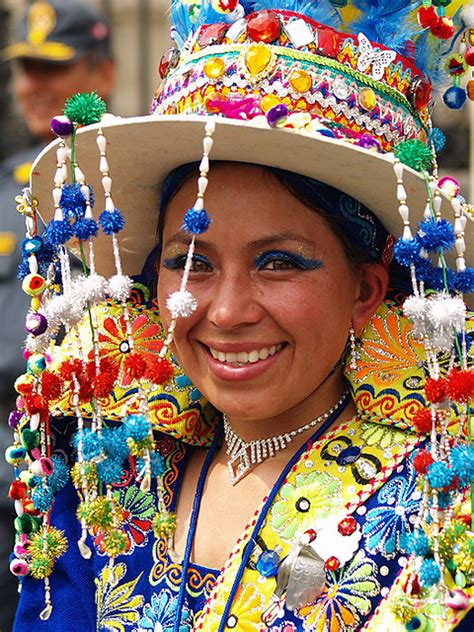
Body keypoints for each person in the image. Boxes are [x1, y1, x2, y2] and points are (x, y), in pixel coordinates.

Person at [8, 1, 474, 631]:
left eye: (279, 263)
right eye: (190, 262)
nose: (225, 312)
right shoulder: (104, 487)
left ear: (366, 289)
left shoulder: (439, 512)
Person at [0, 1, 114, 629]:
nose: (30, 85)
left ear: (104, 73)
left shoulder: (138, 188)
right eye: (22, 69)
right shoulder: (6, 187)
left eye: (51, 66)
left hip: (90, 463)